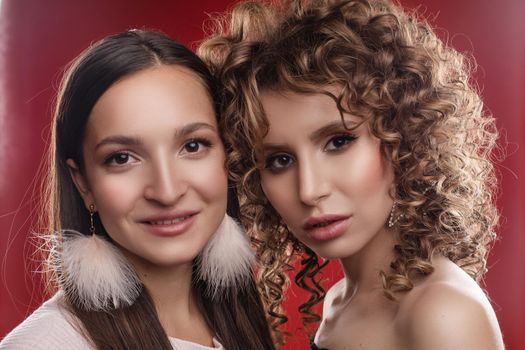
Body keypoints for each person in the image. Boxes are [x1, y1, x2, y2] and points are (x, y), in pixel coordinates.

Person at [199, 0, 505, 349]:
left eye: (338, 141)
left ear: (403, 138)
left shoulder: (441, 312)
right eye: (280, 160)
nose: (309, 190)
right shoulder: (341, 301)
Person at [0, 30, 275, 350]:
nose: (167, 190)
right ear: (82, 181)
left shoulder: (235, 314)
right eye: (122, 158)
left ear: (227, 152)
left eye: (193, 145)